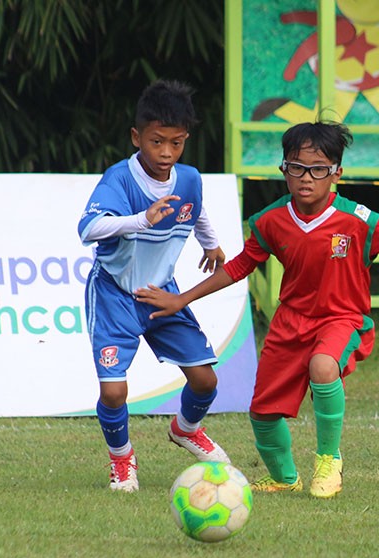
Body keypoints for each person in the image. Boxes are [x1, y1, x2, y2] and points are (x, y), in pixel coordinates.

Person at [135, 121, 379, 499]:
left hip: (342, 318)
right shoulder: (271, 221)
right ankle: (284, 478)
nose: (307, 178)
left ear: (336, 173)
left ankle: (328, 460)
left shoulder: (358, 221)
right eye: (297, 167)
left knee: (323, 366)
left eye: (318, 169)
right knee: (263, 412)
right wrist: (181, 298)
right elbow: (240, 265)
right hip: (290, 323)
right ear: (283, 170)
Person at [77, 79, 229, 493]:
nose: (166, 153)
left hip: (162, 293)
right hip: (114, 295)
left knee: (205, 381)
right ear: (136, 137)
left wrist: (211, 244)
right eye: (157, 141)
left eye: (176, 143)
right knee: (113, 391)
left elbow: (194, 211)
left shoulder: (189, 179)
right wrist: (142, 219)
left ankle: (186, 429)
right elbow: (88, 228)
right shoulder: (118, 179)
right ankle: (122, 460)